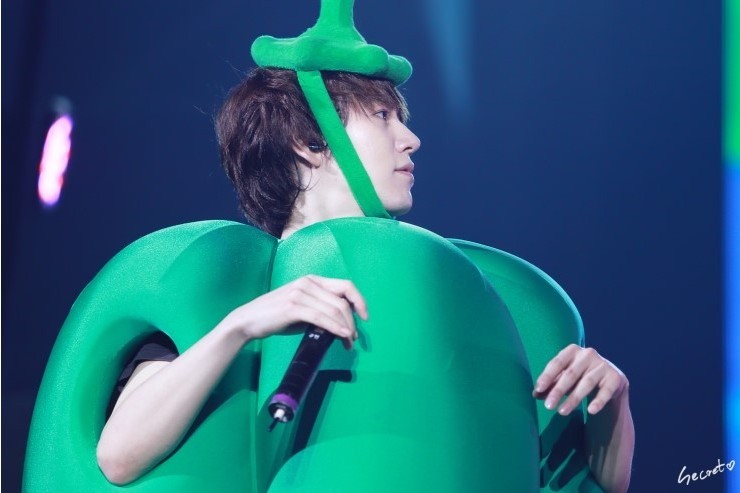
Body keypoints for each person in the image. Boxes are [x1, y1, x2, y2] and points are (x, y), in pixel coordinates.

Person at [28, 2, 634, 492]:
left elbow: (591, 481)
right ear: (309, 140)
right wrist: (239, 328)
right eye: (383, 117)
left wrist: (609, 406)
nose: (412, 139)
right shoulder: (224, 291)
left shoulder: (455, 304)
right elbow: (119, 456)